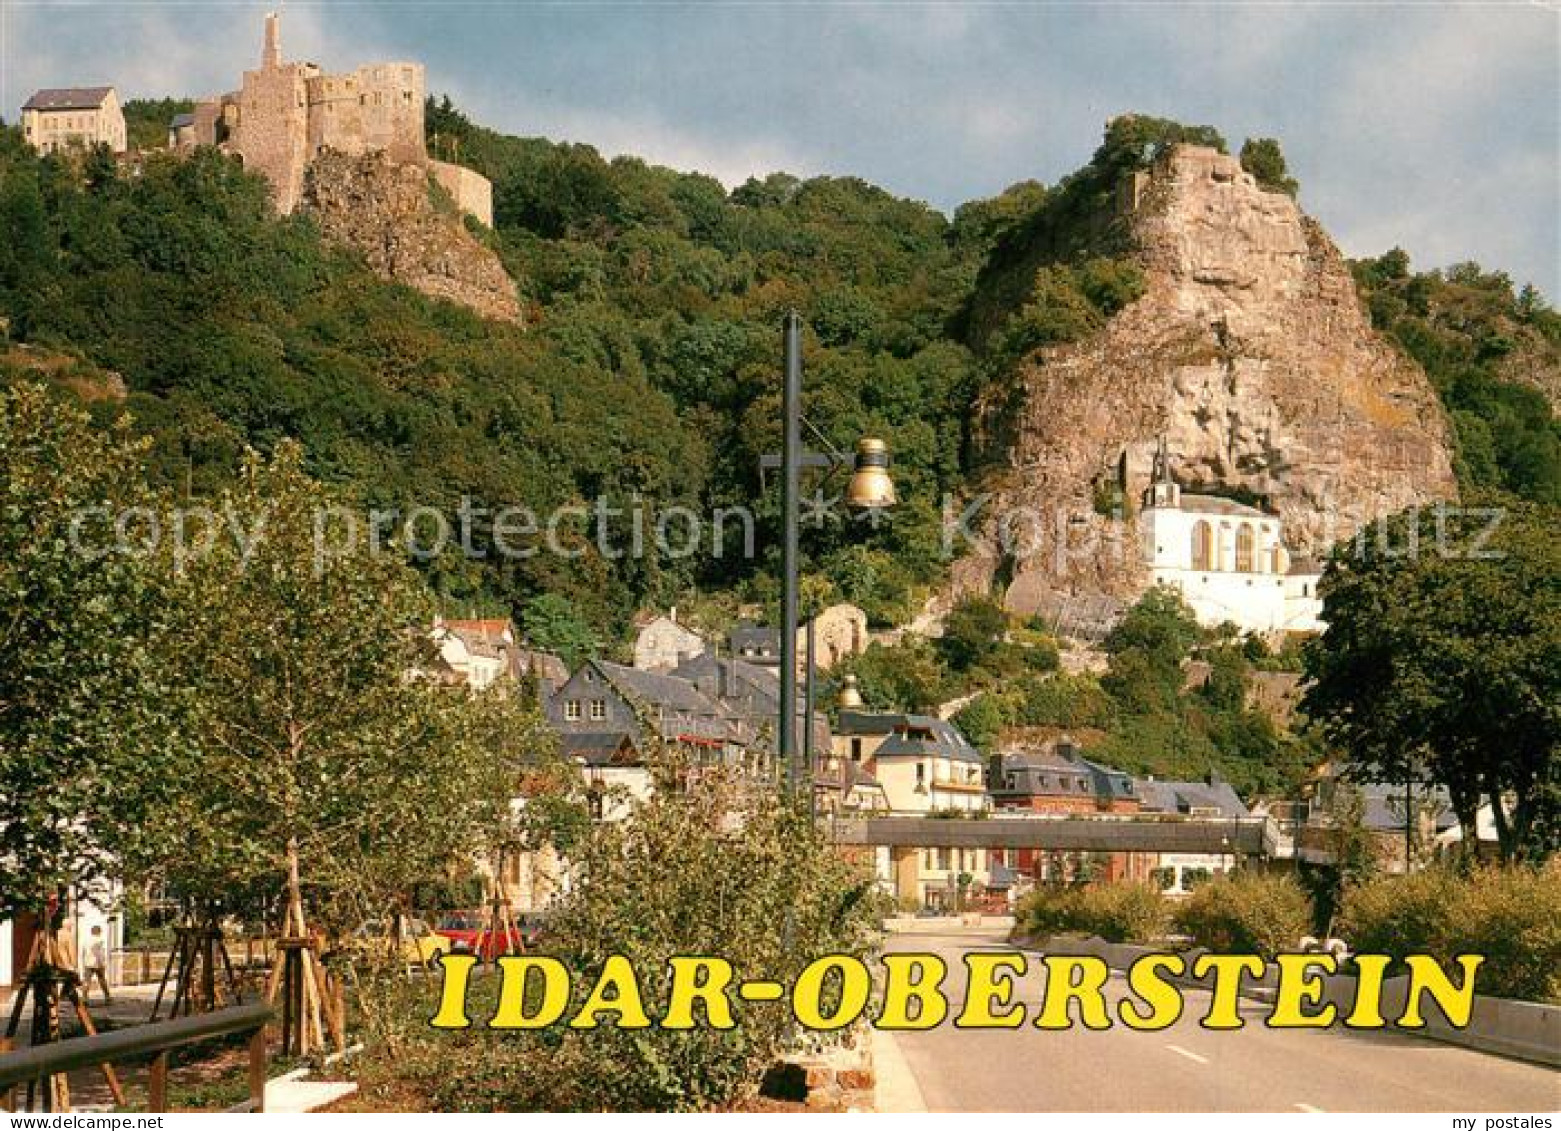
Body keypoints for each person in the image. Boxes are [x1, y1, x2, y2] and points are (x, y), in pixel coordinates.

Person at [83, 924, 112, 1005]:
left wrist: (84, 962)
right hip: (97, 962)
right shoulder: (100, 941)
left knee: (87, 981)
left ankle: (84, 998)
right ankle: (107, 997)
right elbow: (100, 953)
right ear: (99, 932)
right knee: (102, 980)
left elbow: (83, 952)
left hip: (88, 962)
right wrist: (102, 963)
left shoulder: (86, 940)